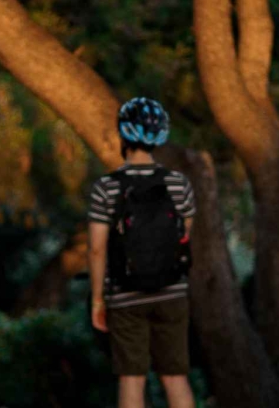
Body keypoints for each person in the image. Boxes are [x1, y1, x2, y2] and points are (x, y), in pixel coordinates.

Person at [87, 98, 197, 408]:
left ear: (122, 134)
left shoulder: (106, 187)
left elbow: (96, 249)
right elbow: (184, 236)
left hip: (125, 294)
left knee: (131, 378)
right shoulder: (179, 184)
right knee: (175, 378)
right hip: (172, 291)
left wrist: (98, 299)